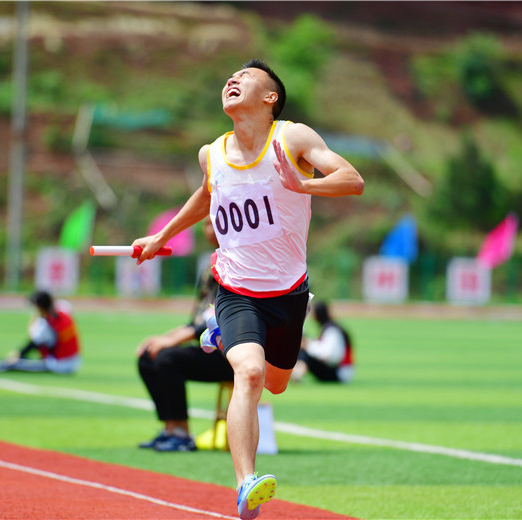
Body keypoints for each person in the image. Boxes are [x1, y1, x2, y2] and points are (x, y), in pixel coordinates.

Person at [131, 58, 364, 519]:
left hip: (289, 293)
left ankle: (220, 336)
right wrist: (162, 236)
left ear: (270, 98)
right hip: (235, 288)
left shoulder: (293, 138)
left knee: (276, 383)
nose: (232, 81)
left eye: (245, 78)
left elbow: (352, 180)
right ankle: (246, 483)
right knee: (251, 375)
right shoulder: (211, 153)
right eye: (228, 78)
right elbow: (207, 193)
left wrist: (302, 184)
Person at [136, 219, 234, 452]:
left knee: (167, 358)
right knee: (148, 356)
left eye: (216, 223)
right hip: (208, 346)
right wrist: (164, 337)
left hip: (231, 354)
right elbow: (198, 320)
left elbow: (219, 319)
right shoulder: (210, 266)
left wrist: (169, 341)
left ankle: (182, 435)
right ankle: (171, 428)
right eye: (207, 224)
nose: (210, 229)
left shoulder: (236, 265)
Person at [0, 291, 81, 374]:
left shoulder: (45, 326)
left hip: (60, 364)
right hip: (74, 358)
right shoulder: (62, 308)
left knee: (14, 363)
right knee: (17, 359)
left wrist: (15, 355)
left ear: (40, 307)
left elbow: (31, 342)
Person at [292, 301, 354, 384]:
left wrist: (307, 345)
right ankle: (296, 373)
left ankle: (297, 374)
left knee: (304, 354)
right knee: (303, 351)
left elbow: (329, 355)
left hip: (339, 373)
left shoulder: (332, 330)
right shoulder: (329, 328)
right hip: (337, 370)